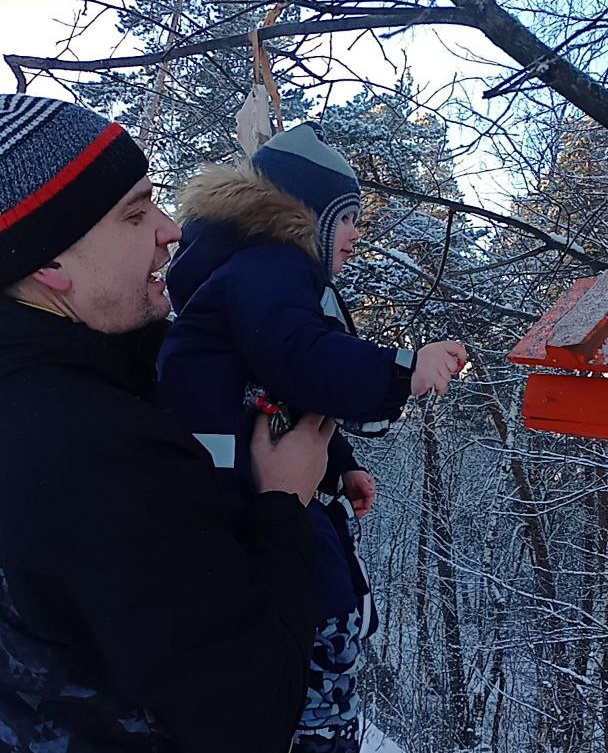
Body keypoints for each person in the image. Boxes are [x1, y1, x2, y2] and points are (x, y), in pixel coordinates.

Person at [0, 94, 335, 753]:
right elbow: (250, 711)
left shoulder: (72, 377)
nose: (171, 227)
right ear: (48, 263)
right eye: (134, 213)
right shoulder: (95, 450)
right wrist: (285, 499)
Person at [156, 122, 467, 752]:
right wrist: (404, 370)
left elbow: (285, 387)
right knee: (317, 609)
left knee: (319, 589)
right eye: (346, 217)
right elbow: (304, 357)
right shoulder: (269, 269)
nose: (358, 234)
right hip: (245, 495)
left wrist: (338, 463)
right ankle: (315, 725)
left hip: (252, 481)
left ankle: (320, 711)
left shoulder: (253, 276)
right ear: (304, 214)